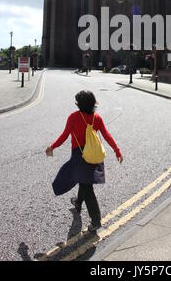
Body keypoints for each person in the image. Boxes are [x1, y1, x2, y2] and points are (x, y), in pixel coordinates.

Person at [46, 90, 123, 233]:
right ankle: (77, 202)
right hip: (93, 155)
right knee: (84, 181)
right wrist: (116, 150)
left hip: (79, 155)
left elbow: (64, 135)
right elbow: (106, 135)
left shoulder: (74, 117)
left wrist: (52, 146)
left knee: (85, 186)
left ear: (79, 104)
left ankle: (96, 221)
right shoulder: (97, 118)